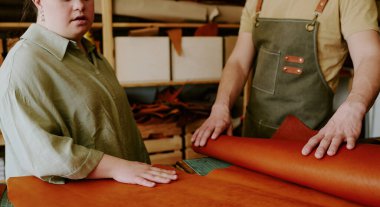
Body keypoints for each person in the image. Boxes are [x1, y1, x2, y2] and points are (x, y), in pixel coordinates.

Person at [0, 0, 177, 187]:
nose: (80, 5)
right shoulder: (23, 65)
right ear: (39, 2)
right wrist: (117, 168)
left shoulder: (90, 53)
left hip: (116, 196)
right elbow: (43, 154)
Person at [192, 0, 380, 159]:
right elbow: (239, 62)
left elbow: (370, 56)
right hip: (253, 139)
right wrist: (220, 107)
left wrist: (355, 106)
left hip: (310, 146)